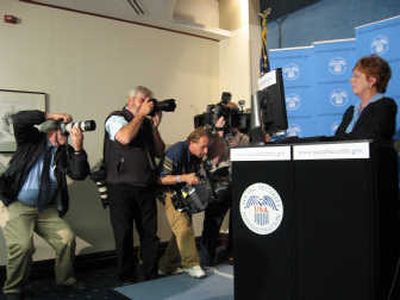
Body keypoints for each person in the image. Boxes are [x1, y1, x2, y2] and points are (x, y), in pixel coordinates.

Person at [0, 110, 90, 300]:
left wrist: (78, 148)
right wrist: (50, 114)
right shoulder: (30, 142)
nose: (66, 135)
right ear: (52, 131)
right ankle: (13, 290)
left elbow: (79, 174)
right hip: (17, 203)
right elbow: (19, 120)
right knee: (22, 246)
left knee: (66, 238)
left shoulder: (63, 152)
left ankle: (65, 280)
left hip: (45, 208)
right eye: (63, 131)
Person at [335, 55, 399, 299]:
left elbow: (369, 137)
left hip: (373, 189)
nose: (351, 80)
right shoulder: (351, 110)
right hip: (348, 186)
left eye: (356, 76)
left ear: (372, 80)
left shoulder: (386, 106)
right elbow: (339, 140)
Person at [104, 86, 165, 282]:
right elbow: (124, 137)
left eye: (150, 101)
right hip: (120, 187)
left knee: (150, 234)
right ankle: (126, 278)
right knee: (124, 235)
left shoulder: (146, 124)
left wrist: (154, 127)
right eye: (143, 101)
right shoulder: (115, 118)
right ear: (131, 100)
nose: (148, 105)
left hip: (145, 186)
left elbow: (158, 151)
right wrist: (140, 117)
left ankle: (150, 274)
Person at [158, 127, 209, 279]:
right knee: (183, 227)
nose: (206, 151)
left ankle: (166, 266)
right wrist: (184, 178)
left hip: (183, 193)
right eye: (203, 147)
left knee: (180, 230)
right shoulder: (176, 151)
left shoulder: (197, 155)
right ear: (191, 143)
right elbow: (160, 179)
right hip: (169, 193)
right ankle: (191, 264)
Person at [200, 113, 250, 267]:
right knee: (212, 223)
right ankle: (206, 258)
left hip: (237, 184)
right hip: (218, 187)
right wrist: (218, 134)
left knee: (237, 223)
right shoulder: (210, 135)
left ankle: (233, 254)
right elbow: (213, 159)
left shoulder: (243, 138)